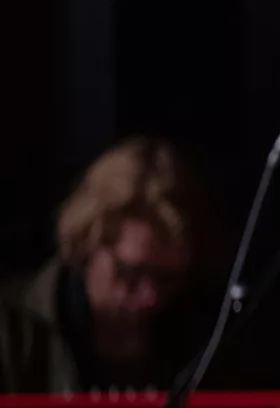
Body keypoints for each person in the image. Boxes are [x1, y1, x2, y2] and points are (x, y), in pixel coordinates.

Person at [0, 135, 211, 392]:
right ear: (86, 243)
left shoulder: (201, 334)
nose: (151, 297)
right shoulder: (13, 331)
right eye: (130, 272)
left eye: (167, 279)